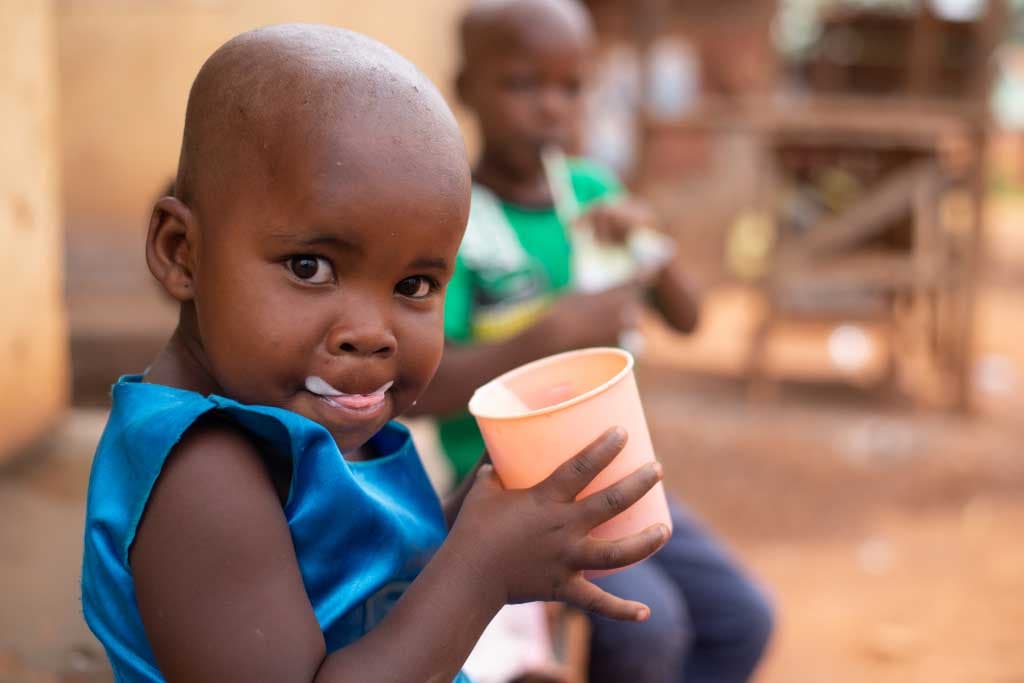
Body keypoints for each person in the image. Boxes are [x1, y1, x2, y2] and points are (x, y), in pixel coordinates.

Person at [79, 24, 671, 683]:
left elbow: (354, 589)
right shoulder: (203, 476)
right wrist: (480, 574)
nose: (372, 331)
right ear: (180, 251)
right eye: (310, 266)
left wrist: (478, 527)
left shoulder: (272, 422)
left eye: (414, 286)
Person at [410, 2, 775, 681]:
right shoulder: (454, 218)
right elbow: (418, 387)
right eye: (523, 85)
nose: (551, 107)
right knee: (651, 631)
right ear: (467, 89)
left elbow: (690, 316)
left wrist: (649, 244)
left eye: (571, 87)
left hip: (623, 476)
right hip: (508, 496)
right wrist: (553, 331)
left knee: (742, 618)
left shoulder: (591, 193)